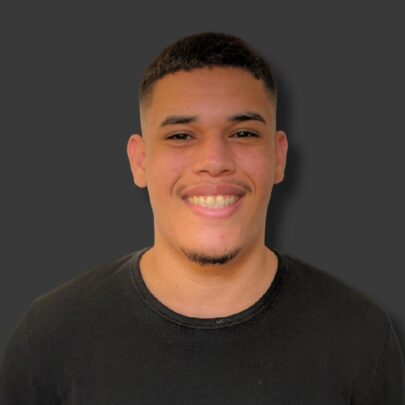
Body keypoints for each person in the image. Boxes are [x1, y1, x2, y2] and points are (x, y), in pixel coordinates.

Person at [0, 32, 404, 404]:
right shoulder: (50, 337)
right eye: (181, 136)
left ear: (278, 157)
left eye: (243, 133)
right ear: (140, 161)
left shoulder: (361, 338)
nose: (214, 161)